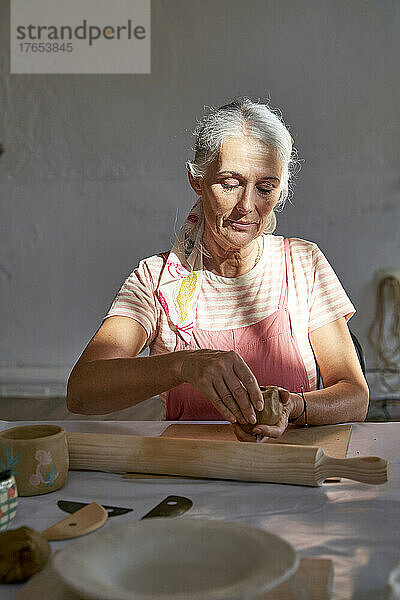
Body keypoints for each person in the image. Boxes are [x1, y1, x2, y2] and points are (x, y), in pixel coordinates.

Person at [67, 97, 369, 441]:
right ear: (197, 180)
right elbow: (81, 392)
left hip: (289, 470)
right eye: (229, 184)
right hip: (196, 478)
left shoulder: (303, 264)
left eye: (265, 188)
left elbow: (354, 397)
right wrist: (184, 365)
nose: (246, 206)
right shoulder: (157, 280)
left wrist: (295, 407)